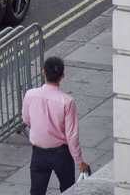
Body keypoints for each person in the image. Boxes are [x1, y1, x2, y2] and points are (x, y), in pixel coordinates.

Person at [21, 56, 90, 194]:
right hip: (61, 154)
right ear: (62, 76)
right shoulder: (67, 101)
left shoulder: (30, 95)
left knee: (36, 191)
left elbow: (26, 120)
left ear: (43, 72)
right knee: (67, 189)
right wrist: (79, 161)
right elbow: (71, 136)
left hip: (39, 153)